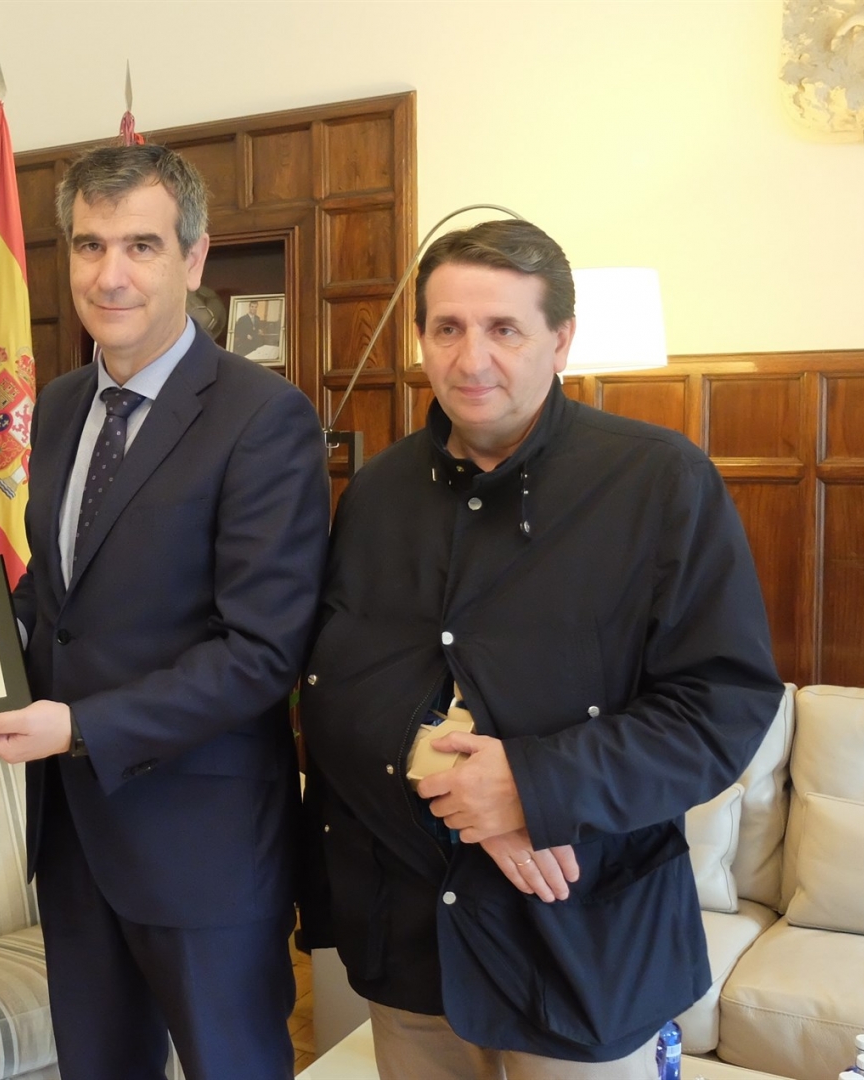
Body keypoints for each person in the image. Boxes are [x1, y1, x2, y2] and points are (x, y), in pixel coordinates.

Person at [297, 219, 784, 1079]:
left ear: (560, 340)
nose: (470, 358)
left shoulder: (658, 481)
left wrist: (533, 788)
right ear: (420, 341)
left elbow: (720, 707)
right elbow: (334, 688)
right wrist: (463, 795)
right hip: (410, 941)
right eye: (447, 328)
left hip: (580, 944)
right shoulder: (374, 494)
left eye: (503, 329)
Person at [0, 144, 330, 1079]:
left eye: (141, 246)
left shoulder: (263, 416)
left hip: (203, 847)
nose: (109, 274)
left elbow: (260, 651)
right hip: (75, 838)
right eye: (89, 246)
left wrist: (81, 726)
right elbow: (54, 597)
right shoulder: (58, 406)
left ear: (193, 260)